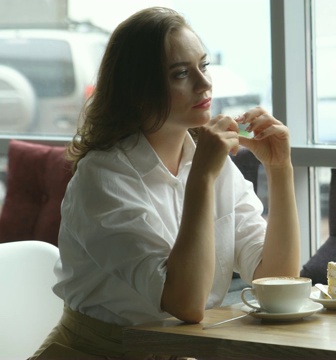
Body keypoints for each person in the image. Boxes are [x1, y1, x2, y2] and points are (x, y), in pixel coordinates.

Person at [31, 6, 300, 359]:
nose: (205, 84)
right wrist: (202, 177)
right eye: (180, 74)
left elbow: (277, 278)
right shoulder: (103, 177)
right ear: (138, 90)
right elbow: (185, 303)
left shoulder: (209, 162)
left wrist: (280, 169)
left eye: (203, 66)